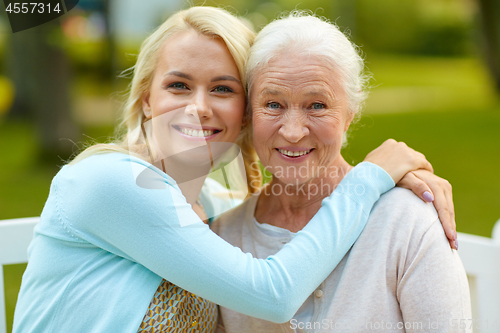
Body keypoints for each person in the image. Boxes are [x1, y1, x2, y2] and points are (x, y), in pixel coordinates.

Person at [13, 7, 455, 333]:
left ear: (243, 111)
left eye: (222, 89)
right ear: (147, 97)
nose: (198, 107)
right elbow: (273, 295)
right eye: (178, 85)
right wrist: (371, 177)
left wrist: (399, 179)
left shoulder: (215, 210)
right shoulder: (110, 182)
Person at [212, 12, 471, 333]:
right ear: (249, 114)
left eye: (317, 105)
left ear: (350, 114)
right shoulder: (224, 237)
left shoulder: (408, 221)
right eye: (274, 105)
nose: (293, 132)